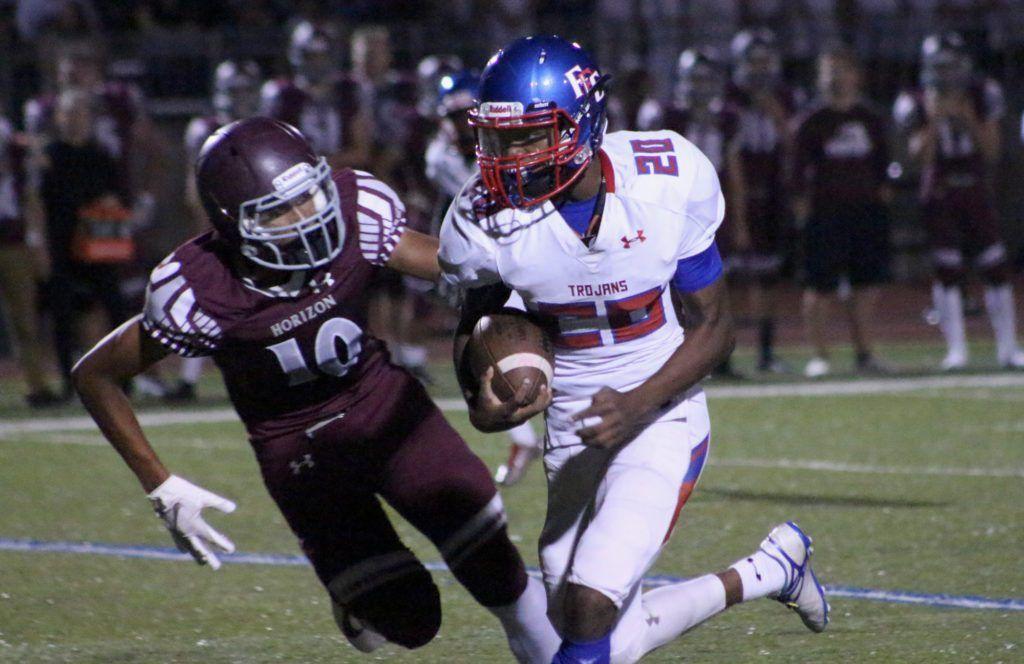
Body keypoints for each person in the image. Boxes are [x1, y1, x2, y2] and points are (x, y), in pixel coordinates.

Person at [71, 118, 560, 662]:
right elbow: (95, 374)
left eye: (310, 196)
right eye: (279, 211)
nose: (308, 217)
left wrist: (512, 328)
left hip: (384, 406)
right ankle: (357, 599)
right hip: (298, 449)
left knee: (499, 574)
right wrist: (159, 485)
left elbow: (460, 271)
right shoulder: (197, 287)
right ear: (232, 225)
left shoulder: (357, 211)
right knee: (411, 620)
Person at [438, 36, 828, 664]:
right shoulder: (478, 221)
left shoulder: (667, 177)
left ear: (583, 123)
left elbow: (714, 328)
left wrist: (639, 402)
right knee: (577, 626)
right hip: (570, 417)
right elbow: (477, 325)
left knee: (592, 603)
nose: (505, 158)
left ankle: (767, 569)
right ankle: (768, 570)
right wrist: (482, 396)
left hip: (662, 402)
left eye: (528, 137)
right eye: (495, 138)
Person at [423, 69, 542, 486]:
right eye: (453, 116)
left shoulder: (512, 141)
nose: (458, 124)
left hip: (520, 245)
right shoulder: (441, 155)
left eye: (464, 114)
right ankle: (521, 432)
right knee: (486, 343)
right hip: (482, 252)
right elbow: (489, 197)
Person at [894, 32, 1024, 370]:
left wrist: (966, 116)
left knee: (996, 267)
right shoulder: (914, 100)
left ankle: (1008, 348)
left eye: (953, 65)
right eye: (942, 66)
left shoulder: (983, 93)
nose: (948, 73)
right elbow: (918, 158)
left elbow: (992, 151)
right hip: (938, 190)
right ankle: (957, 350)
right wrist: (936, 118)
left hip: (975, 187)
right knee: (947, 271)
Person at [638, 47, 750, 380]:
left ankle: (719, 357)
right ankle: (677, 358)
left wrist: (740, 219)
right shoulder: (661, 114)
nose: (701, 86)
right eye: (695, 79)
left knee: (715, 284)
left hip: (709, 207)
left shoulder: (728, 118)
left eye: (707, 79)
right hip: (670, 208)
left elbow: (734, 170)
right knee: (669, 288)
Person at [166, 59, 264, 402]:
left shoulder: (262, 128)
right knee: (208, 298)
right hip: (224, 223)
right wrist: (208, 231)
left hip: (262, 226)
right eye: (235, 92)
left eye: (247, 91)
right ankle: (188, 379)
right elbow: (195, 191)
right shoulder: (204, 129)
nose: (242, 99)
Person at [792, 46, 893, 377]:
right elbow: (797, 171)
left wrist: (881, 201)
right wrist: (802, 212)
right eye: (829, 71)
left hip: (865, 212)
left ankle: (865, 353)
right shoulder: (811, 122)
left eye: (842, 70)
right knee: (820, 287)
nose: (836, 78)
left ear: (855, 75)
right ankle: (820, 355)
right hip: (826, 213)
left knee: (866, 286)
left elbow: (883, 166)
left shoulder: (870, 118)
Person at [38, 89, 133, 397]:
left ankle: (125, 377)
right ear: (58, 118)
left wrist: (111, 204)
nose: (75, 119)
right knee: (63, 316)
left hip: (98, 247)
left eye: (80, 113)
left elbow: (118, 197)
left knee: (116, 310)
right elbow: (38, 202)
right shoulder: (50, 155)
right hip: (62, 245)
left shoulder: (100, 154)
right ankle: (68, 383)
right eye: (69, 113)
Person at [726, 28, 805, 374]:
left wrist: (774, 111)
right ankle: (720, 358)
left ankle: (766, 353)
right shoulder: (726, 100)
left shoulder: (786, 97)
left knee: (767, 279)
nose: (759, 70)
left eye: (764, 62)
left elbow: (796, 145)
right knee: (725, 280)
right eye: (752, 62)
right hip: (730, 195)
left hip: (772, 195)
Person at [0, 114, 62, 406]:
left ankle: (35, 385)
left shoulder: (18, 152)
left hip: (13, 241)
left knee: (25, 319)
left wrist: (36, 241)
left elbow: (33, 195)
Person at [260, 21, 372, 167]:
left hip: (342, 175)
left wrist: (324, 165)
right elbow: (271, 149)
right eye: (311, 56)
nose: (317, 63)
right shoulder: (281, 94)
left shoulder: (350, 89)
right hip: (295, 178)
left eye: (322, 56)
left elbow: (361, 152)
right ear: (298, 56)